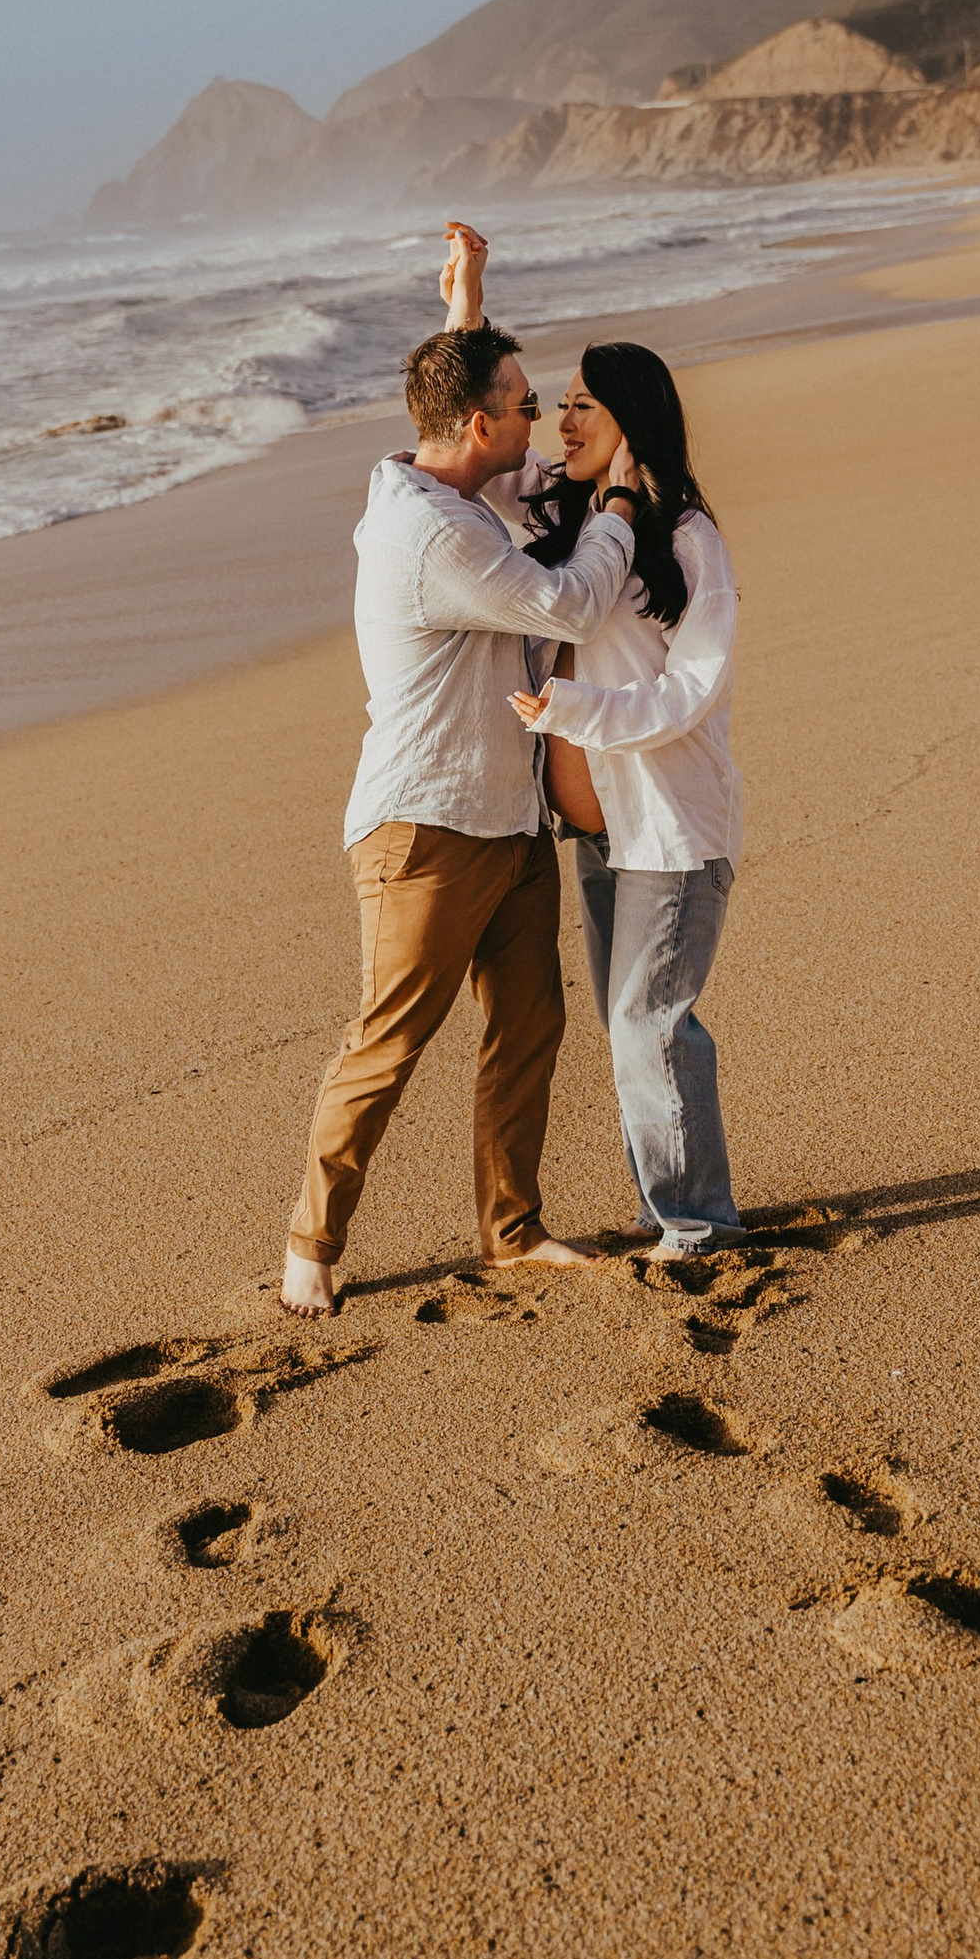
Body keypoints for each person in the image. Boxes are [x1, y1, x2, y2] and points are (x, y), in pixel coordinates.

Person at [279, 229, 642, 1317]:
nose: (541, 424)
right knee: (388, 1044)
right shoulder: (435, 537)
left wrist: (468, 305)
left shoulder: (452, 470)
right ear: (481, 425)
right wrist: (622, 497)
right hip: (424, 827)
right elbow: (571, 601)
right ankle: (311, 1243)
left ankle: (510, 1230)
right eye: (525, 407)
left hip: (507, 817)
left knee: (530, 1026)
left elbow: (460, 405)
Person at [508, 333, 744, 1255]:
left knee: (650, 1023)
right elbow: (471, 452)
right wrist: (466, 307)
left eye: (582, 407)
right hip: (596, 837)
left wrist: (574, 707)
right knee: (628, 1029)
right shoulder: (571, 528)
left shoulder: (690, 541)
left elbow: (692, 692)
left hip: (671, 833)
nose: (559, 423)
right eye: (559, 402)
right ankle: (665, 1205)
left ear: (630, 425)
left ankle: (696, 1224)